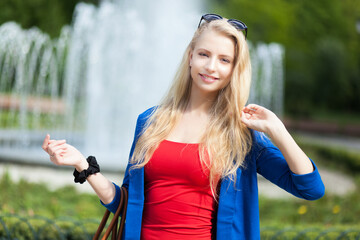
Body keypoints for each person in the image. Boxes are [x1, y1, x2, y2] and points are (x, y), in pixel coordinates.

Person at [42, 13, 325, 240]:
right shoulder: (150, 121)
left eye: (224, 59)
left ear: (233, 70)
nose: (211, 66)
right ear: (190, 56)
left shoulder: (240, 133)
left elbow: (310, 189)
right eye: (204, 54)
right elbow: (126, 204)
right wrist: (82, 164)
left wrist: (277, 129)